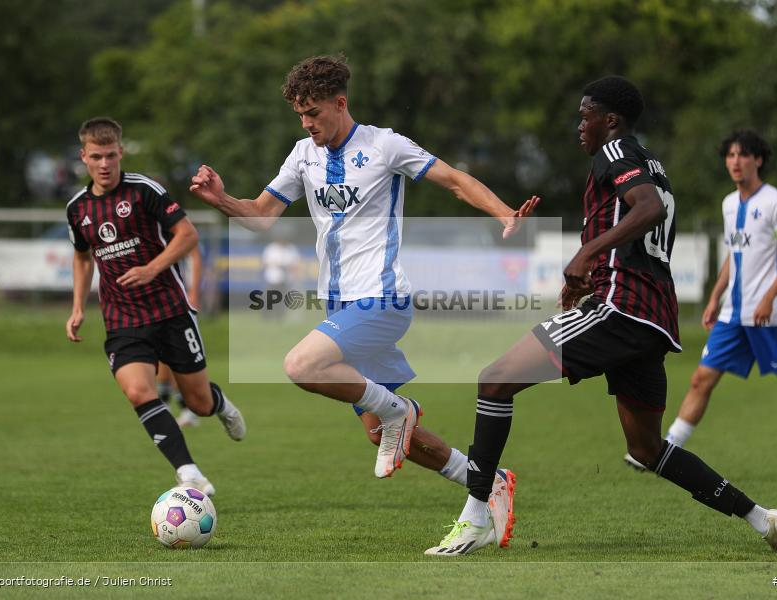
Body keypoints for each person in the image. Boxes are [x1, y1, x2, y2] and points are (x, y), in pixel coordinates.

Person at [425, 77, 777, 556]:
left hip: (622, 308)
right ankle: (762, 518)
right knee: (645, 449)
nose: (579, 125)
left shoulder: (616, 150)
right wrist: (588, 269)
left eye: (586, 115)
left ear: (611, 121)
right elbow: (640, 216)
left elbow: (645, 209)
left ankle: (475, 517)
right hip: (652, 319)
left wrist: (586, 256)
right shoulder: (649, 161)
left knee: (494, 380)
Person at [189, 55, 537, 546]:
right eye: (300, 115)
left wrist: (504, 213)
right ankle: (487, 484)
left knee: (301, 364)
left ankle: (398, 410)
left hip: (382, 298)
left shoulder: (384, 145)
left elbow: (455, 180)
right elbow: (261, 215)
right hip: (341, 307)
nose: (307, 124)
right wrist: (222, 199)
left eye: (314, 113)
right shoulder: (302, 156)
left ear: (340, 103)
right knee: (384, 433)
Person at [625, 130, 777, 485]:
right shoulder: (730, 204)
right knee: (701, 378)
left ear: (757, 160)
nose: (735, 162)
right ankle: (667, 448)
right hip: (734, 313)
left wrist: (768, 297)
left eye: (742, 155)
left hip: (771, 314)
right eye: (730, 155)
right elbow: (734, 254)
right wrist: (715, 296)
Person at [65, 117, 246, 496]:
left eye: (110, 155)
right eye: (96, 156)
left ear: (120, 153)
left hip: (170, 311)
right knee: (138, 392)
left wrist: (151, 268)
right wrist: (78, 306)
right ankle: (188, 471)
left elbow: (188, 235)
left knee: (197, 402)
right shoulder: (77, 209)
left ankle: (220, 404)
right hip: (122, 320)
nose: (104, 164)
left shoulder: (143, 191)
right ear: (84, 156)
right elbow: (83, 257)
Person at [158, 243, 203, 427]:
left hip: (178, 299)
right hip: (157, 299)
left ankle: (188, 409)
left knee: (179, 354)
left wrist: (193, 292)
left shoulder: (173, 222)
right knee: (161, 354)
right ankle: (165, 406)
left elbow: (194, 256)